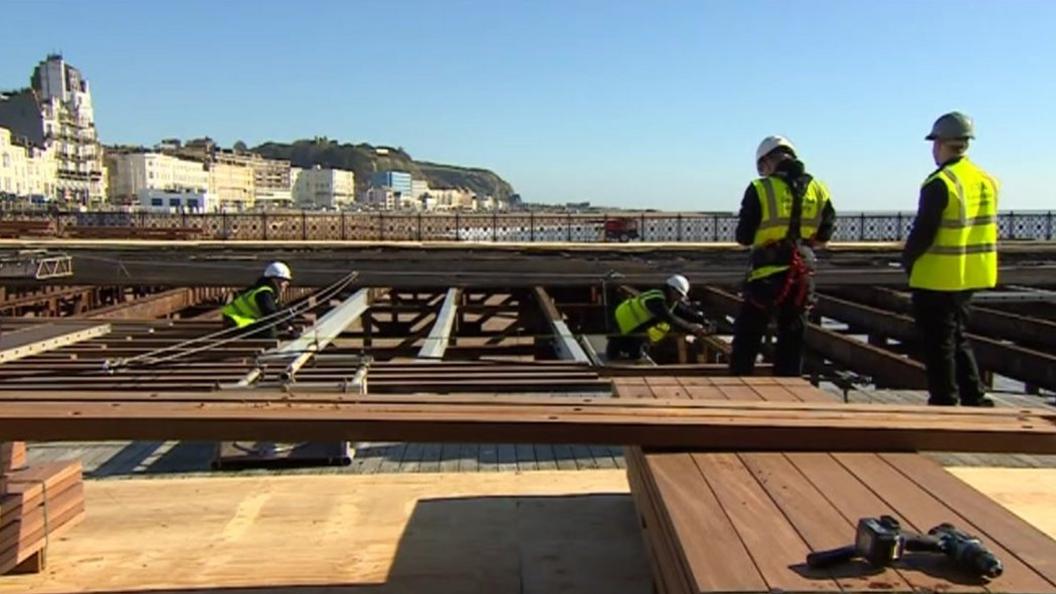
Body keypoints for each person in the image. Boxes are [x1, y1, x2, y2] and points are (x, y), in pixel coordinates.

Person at [902, 112, 998, 407]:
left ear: (941, 143)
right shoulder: (985, 180)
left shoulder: (941, 182)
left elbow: (924, 231)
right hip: (970, 274)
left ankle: (945, 399)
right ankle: (974, 395)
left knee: (938, 342)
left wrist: (908, 260)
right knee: (958, 335)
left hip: (937, 275)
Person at [729, 136, 836, 376]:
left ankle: (739, 389)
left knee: (747, 339)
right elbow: (824, 235)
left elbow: (744, 236)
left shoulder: (760, 188)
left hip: (766, 275)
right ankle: (789, 389)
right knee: (793, 340)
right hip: (801, 275)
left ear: (767, 162)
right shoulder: (819, 189)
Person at [607, 274, 709, 362]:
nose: (679, 298)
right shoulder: (656, 301)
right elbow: (670, 319)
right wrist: (691, 328)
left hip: (636, 324)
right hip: (622, 319)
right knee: (616, 348)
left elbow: (683, 312)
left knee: (636, 351)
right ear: (671, 289)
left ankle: (627, 352)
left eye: (681, 296)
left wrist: (703, 320)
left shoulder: (668, 300)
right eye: (678, 294)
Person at [221, 261, 292, 339]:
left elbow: (279, 313)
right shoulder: (264, 293)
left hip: (243, 320)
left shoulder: (269, 292)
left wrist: (289, 324)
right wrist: (288, 329)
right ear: (274, 280)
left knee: (275, 325)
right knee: (269, 330)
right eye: (284, 280)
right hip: (235, 321)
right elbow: (271, 314)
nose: (287, 284)